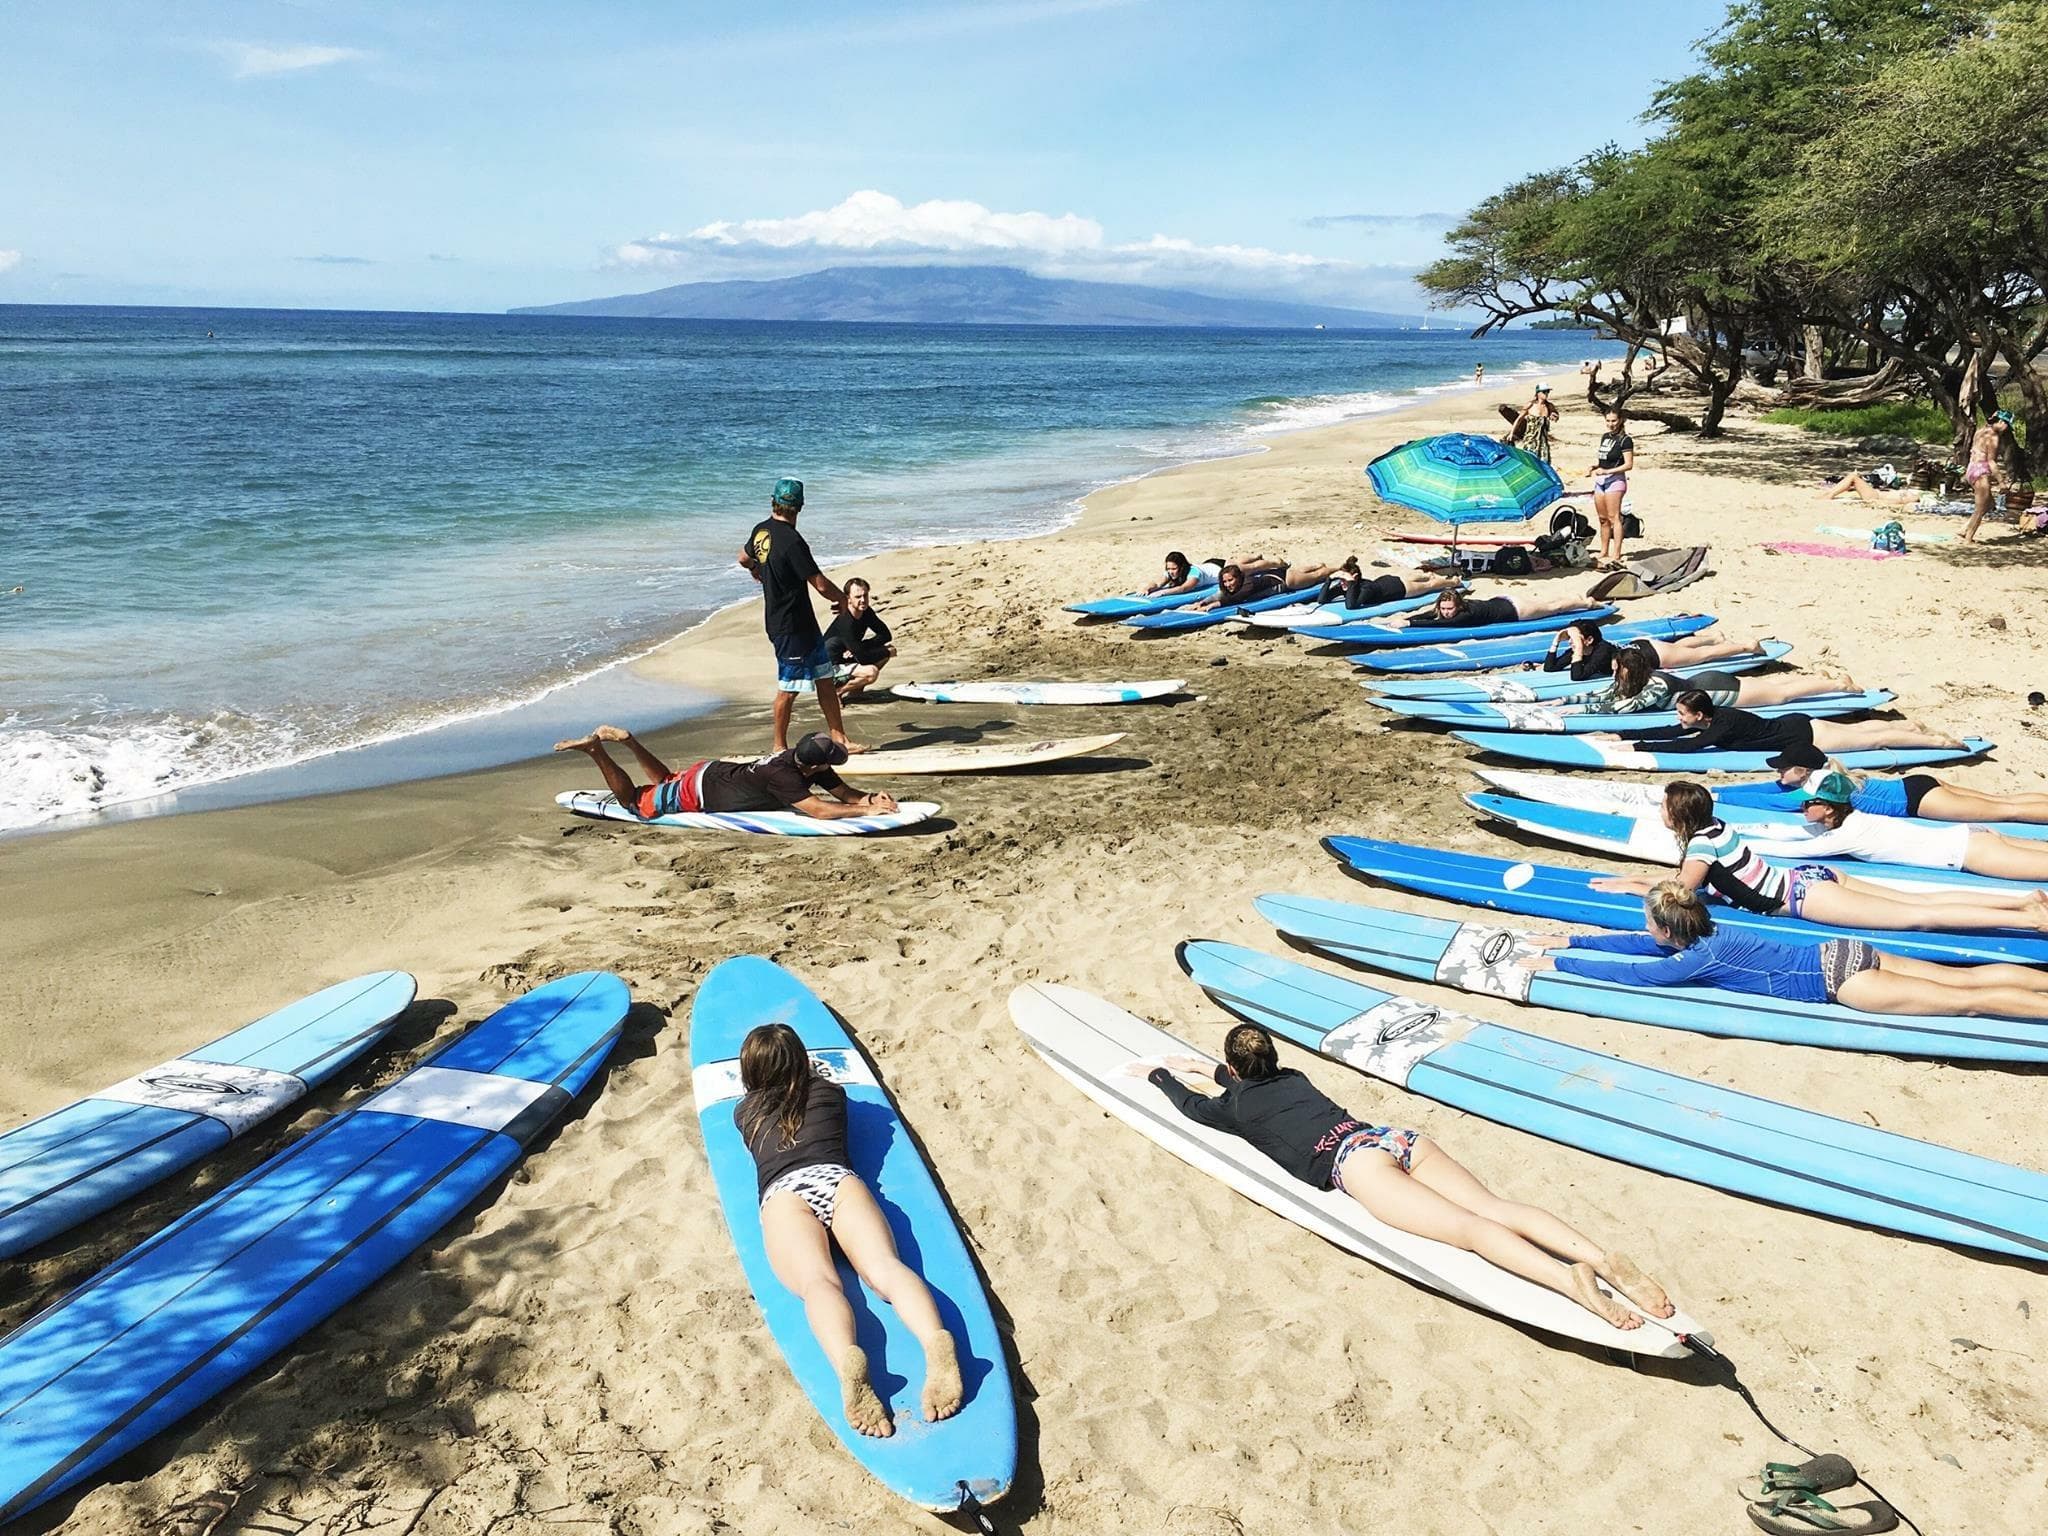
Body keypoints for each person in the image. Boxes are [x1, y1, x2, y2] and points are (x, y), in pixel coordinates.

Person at [1134, 1023, 1673, 1333]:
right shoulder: (1293, 1076)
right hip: (1396, 1139)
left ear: (1231, 1071)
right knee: (1495, 1206)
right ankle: (1606, 1262)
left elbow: (1194, 1107)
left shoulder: (1236, 1110)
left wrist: (1161, 1074)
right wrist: (1203, 1064)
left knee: (1469, 1230)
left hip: (1356, 1164)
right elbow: (1247, 1079)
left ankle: (1570, 1284)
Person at [735, 1022, 963, 1437]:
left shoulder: (745, 1113)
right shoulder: (828, 1094)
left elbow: (764, 1101)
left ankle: (848, 1363)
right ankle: (934, 1341)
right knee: (885, 1268)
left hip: (786, 1194)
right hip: (837, 1181)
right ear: (802, 1062)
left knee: (819, 1283)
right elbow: (823, 1082)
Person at [1526, 882, 2048, 1022]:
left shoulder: (1694, 959)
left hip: (1841, 983)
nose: (1645, 929)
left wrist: (1560, 964)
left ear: (1668, 928)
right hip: (1846, 949)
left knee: (1971, 1002)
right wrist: (1571, 939)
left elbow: (1639, 974)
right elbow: (1642, 945)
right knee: (1962, 980)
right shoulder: (1712, 929)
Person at [1586, 781, 2048, 936]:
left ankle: (2030, 918)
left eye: (1664, 808)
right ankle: (2023, 903)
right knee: (1918, 902)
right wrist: (1635, 876)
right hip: (1812, 878)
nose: (1660, 814)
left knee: (1917, 916)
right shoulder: (1717, 828)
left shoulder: (1701, 845)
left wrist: (1630, 886)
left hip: (1805, 894)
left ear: (1678, 814)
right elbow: (1692, 878)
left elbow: (1683, 893)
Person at [1741, 770, 2048, 883]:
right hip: (1969, 838)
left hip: (1970, 852)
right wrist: (1738, 829)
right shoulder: (1849, 821)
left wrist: (1734, 845)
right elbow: (1786, 831)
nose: (1802, 807)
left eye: (1809, 803)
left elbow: (1795, 850)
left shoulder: (1847, 835)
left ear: (1829, 806)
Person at [737, 478, 861, 753]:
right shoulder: (792, 541)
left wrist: (756, 569)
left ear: (773, 501)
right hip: (788, 626)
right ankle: (779, 748)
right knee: (789, 688)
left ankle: (840, 738)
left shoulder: (761, 531)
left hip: (802, 623)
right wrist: (841, 598)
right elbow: (819, 583)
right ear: (800, 507)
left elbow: (743, 559)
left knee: (825, 679)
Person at [554, 727, 898, 822]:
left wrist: (869, 798)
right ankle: (595, 750)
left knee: (663, 782)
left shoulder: (802, 759)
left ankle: (630, 742)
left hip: (712, 771)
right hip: (699, 792)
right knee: (634, 803)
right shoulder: (785, 774)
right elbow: (820, 810)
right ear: (815, 764)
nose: (830, 768)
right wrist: (866, 812)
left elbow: (842, 794)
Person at [1591, 693, 1963, 759]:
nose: (1679, 719)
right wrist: (1623, 735)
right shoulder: (1714, 719)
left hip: (1802, 734)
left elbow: (1688, 746)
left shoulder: (1720, 726)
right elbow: (1675, 733)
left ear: (1700, 716)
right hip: (1795, 725)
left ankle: (1940, 744)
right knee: (1865, 734)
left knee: (1872, 740)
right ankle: (1915, 728)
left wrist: (1641, 749)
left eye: (1683, 714)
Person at [1575, 640, 1856, 716]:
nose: (1614, 672)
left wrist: (1578, 711)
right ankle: (1818, 678)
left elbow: (1624, 707)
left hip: (1718, 688)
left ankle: (1837, 684)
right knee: (1771, 688)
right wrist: (1562, 703)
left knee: (1779, 696)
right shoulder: (1639, 679)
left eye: (1617, 668)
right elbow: (1606, 695)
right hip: (1707, 681)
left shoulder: (1655, 686)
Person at [1740, 760, 2048, 825]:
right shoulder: (1827, 772)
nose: (1780, 776)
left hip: (1917, 800)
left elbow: (1776, 802)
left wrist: (1722, 797)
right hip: (1916, 783)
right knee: (2003, 801)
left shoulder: (1818, 788)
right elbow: (1774, 790)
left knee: (2007, 811)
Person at [1538, 619, 1764, 682]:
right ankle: (1713, 637)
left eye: (1574, 638)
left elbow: (1578, 676)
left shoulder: (1601, 651)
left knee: (1701, 657)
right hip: (1642, 646)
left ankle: (1746, 646)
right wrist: (1556, 641)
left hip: (1652, 656)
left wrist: (1576, 649)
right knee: (1677, 647)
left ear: (1587, 640)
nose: (1571, 642)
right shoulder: (1580, 649)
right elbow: (1550, 669)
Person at [1384, 587, 1604, 632]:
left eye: (1450, 608)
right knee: (1549, 603)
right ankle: (1577, 597)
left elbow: (1442, 623)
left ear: (1458, 606)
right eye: (1444, 608)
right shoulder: (1452, 607)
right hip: (1503, 598)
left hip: (1518, 610)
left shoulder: (1464, 615)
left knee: (1553, 608)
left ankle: (1587, 603)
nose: (1446, 611)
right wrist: (1408, 617)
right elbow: (1434, 614)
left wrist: (1410, 624)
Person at [821, 577, 894, 701]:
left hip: (845, 659)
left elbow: (886, 635)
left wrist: (861, 646)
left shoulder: (866, 612)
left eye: (865, 595)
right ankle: (838, 691)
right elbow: (863, 657)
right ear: (848, 598)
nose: (863, 600)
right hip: (828, 668)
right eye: (858, 597)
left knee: (885, 652)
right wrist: (885, 652)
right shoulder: (846, 620)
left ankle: (856, 692)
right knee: (872, 672)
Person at [1190, 556, 1343, 611]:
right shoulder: (1234, 586)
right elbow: (1220, 594)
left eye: (1231, 580)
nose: (1228, 584)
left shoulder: (1246, 586)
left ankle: (1340, 567)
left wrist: (1210, 607)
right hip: (1277, 573)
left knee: (1317, 577)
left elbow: (1229, 600)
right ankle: (1318, 564)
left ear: (1238, 578)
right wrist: (1203, 602)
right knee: (1304, 571)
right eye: (1225, 581)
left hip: (1286, 581)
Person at [1584, 408, 1635, 570]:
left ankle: (1616, 553)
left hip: (1615, 481)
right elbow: (1605, 460)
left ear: (1620, 420)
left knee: (1614, 518)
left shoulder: (1625, 440)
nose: (1611, 424)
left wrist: (1607, 471)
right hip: (1600, 480)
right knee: (1602, 518)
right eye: (1608, 421)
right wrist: (1595, 466)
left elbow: (1628, 464)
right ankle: (1603, 550)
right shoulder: (1605, 437)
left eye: (1613, 421)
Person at [1315, 556, 1459, 610]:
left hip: (1399, 588)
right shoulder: (1345, 586)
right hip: (1386, 580)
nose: (1342, 583)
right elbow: (1322, 599)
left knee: (1429, 586)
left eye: (1344, 579)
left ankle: (1453, 581)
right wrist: (1329, 580)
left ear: (1355, 578)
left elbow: (1351, 606)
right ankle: (1428, 575)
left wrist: (1350, 582)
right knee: (1422, 580)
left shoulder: (1365, 588)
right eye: (1340, 580)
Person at [1962, 411, 2016, 544]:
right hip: (1981, 472)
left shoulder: (1980, 431)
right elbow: (1991, 462)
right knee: (1980, 508)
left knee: (1989, 504)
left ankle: (1964, 528)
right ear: (2002, 422)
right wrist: (2001, 482)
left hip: (1971, 468)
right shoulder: (1993, 438)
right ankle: (1968, 538)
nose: (2006, 430)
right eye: (2007, 426)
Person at [1511, 383, 1558, 463]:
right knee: (1530, 462)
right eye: (1544, 392)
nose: (1546, 394)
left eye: (1547, 392)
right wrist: (1512, 433)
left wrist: (1555, 416)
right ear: (1538, 393)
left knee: (1544, 464)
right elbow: (1519, 419)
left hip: (1543, 443)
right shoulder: (1530, 405)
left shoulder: (1549, 406)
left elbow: (1556, 417)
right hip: (1530, 440)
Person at [1144, 550, 1218, 597]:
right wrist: (1148, 588)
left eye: (1174, 569)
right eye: (1168, 568)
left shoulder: (1194, 572)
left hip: (1218, 568)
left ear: (1182, 567)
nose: (1170, 572)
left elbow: (1184, 588)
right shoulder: (1170, 572)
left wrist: (1163, 592)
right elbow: (1157, 583)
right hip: (1207, 564)